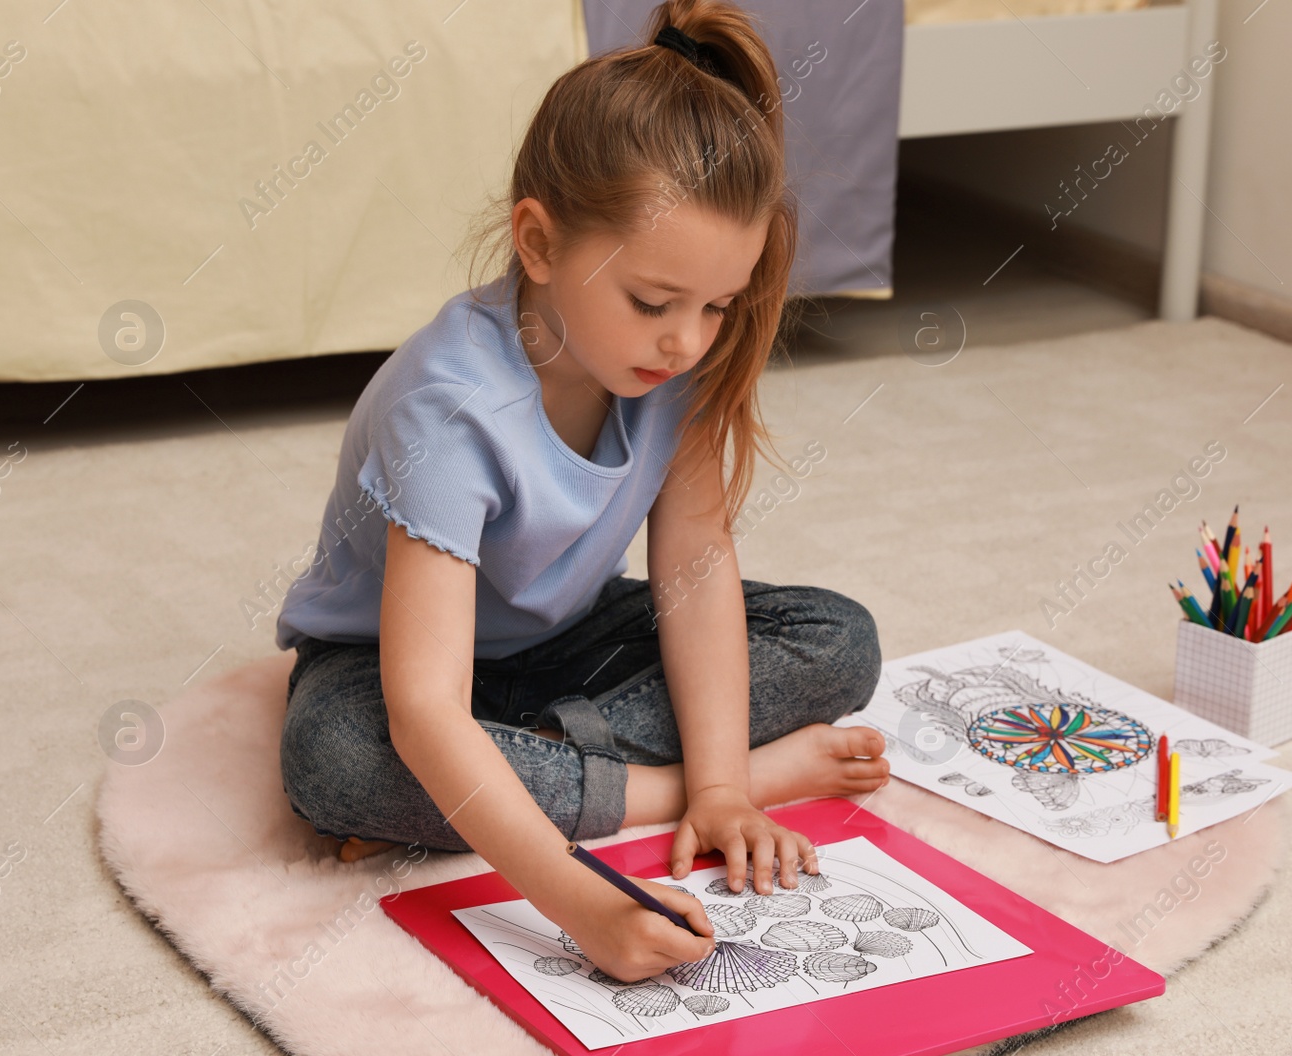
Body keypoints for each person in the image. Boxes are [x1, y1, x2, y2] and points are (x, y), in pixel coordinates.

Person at [274, 0, 888, 983]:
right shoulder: (451, 407)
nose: (687, 340)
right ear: (538, 242)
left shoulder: (672, 365)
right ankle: (647, 783)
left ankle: (551, 773)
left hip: (563, 642)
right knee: (336, 759)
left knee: (838, 637)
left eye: (717, 307)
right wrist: (582, 902)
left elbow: (693, 561)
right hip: (391, 667)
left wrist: (726, 790)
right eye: (652, 302)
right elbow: (425, 707)